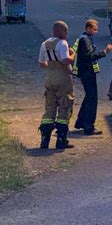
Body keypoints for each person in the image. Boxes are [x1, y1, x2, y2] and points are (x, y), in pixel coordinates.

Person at [38, 21, 76, 149]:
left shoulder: (45, 44)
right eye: (66, 32)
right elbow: (66, 60)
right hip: (63, 78)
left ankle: (45, 139)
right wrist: (73, 55)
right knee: (64, 106)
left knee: (50, 107)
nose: (67, 34)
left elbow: (41, 63)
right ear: (62, 32)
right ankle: (61, 140)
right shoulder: (62, 43)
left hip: (49, 78)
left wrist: (52, 67)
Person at [72, 19, 112, 135]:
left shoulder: (83, 38)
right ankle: (89, 126)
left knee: (89, 96)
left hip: (85, 71)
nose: (96, 31)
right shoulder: (85, 40)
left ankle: (81, 122)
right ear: (88, 28)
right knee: (92, 99)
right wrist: (105, 52)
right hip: (87, 72)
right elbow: (90, 56)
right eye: (94, 29)